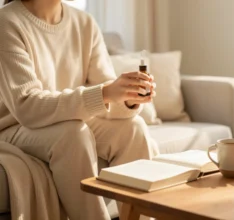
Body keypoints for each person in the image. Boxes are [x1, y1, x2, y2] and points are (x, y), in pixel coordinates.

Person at [0, 0, 158, 219]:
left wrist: (129, 99)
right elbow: (27, 106)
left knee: (134, 128)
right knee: (73, 133)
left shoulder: (84, 23)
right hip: (15, 127)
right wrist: (105, 93)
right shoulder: (7, 22)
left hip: (67, 120)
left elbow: (107, 95)